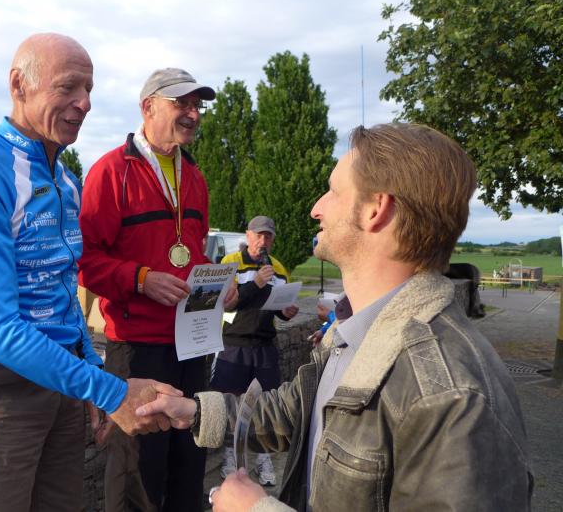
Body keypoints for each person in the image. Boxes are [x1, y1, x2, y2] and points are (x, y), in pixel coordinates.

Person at [137, 123, 534, 511]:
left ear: (376, 209)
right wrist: (195, 411)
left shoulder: (452, 395)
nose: (316, 209)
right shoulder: (356, 329)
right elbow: (298, 411)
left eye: (333, 191)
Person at [0, 33, 180, 512]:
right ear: (18, 85)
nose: (84, 103)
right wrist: (110, 391)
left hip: (61, 379)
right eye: (68, 87)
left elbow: (65, 294)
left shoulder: (67, 181)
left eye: (89, 89)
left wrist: (90, 374)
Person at [79, 67, 236, 511]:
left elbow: (192, 254)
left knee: (189, 461)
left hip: (192, 344)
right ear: (148, 107)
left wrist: (218, 283)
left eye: (197, 105)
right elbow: (85, 261)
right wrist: (141, 279)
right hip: (138, 347)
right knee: (137, 473)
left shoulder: (196, 177)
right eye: (181, 103)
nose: (193, 113)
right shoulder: (111, 171)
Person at [210, 215, 298, 485]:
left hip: (264, 345)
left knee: (265, 402)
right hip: (233, 343)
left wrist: (286, 312)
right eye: (258, 235)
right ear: (247, 235)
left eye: (268, 236)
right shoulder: (230, 263)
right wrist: (256, 283)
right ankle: (229, 457)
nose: (263, 241)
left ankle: (263, 458)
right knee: (230, 401)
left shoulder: (278, 268)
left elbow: (278, 306)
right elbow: (226, 303)